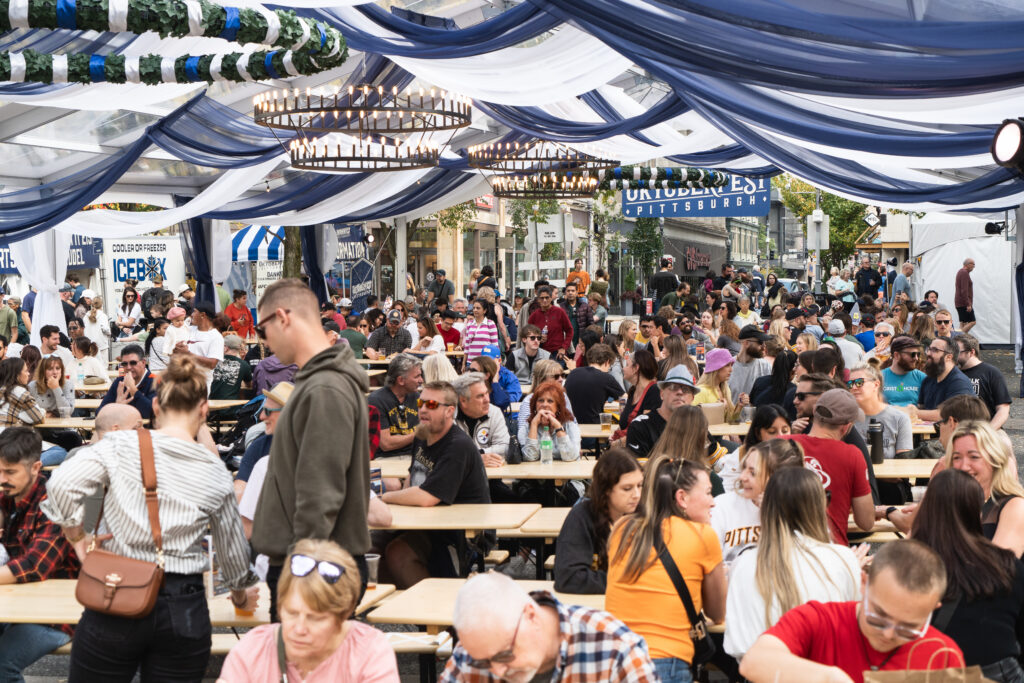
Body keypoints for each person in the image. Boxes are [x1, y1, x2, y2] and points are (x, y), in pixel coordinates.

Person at [41, 355, 260, 680]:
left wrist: (78, 538)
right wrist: (242, 594)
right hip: (182, 606)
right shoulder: (214, 469)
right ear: (203, 411)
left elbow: (59, 484)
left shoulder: (119, 445)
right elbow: (232, 554)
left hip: (116, 590)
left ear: (155, 407)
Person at [250, 279, 371, 622]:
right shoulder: (320, 382)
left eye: (263, 328)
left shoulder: (325, 387)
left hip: (314, 568)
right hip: (315, 563)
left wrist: (301, 574)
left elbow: (320, 493)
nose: (263, 339)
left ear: (283, 317)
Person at [741, 540, 962, 683]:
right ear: (864, 583)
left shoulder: (943, 655)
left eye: (909, 628)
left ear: (933, 609)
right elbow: (754, 661)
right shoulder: (820, 620)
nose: (888, 634)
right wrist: (829, 678)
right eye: (878, 618)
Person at [606, 457, 727, 682]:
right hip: (664, 662)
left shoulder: (622, 528)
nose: (713, 502)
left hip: (613, 660)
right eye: (709, 492)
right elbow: (717, 613)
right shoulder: (703, 536)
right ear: (682, 498)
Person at [724, 467, 862, 659]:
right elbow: (851, 632)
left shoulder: (744, 563)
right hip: (823, 674)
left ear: (766, 507)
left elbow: (737, 644)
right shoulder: (842, 559)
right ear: (819, 507)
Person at [220, 539, 398, 682]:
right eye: (291, 613)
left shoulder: (368, 652)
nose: (299, 629)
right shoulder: (253, 651)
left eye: (315, 618)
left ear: (344, 614)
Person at [908, 469, 1024, 682]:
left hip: (927, 671)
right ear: (978, 513)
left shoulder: (906, 564)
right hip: (996, 672)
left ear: (926, 510)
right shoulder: (1006, 564)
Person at [442, 571, 658, 682]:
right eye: (483, 662)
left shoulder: (615, 649)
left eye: (504, 655)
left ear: (531, 615)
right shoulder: (471, 654)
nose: (496, 670)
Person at [378, 381, 490, 587]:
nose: (421, 409)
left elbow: (427, 497)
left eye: (430, 405)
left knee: (398, 553)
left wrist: (383, 498)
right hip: (424, 522)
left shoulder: (457, 445)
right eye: (420, 403)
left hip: (460, 532)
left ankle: (438, 616)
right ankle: (402, 608)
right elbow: (412, 477)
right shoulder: (423, 434)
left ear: (449, 411)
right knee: (368, 548)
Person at [0, 427, 80, 680]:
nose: (1, 478)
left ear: (36, 468)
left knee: (2, 665)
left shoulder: (55, 501)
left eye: (10, 472)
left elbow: (35, 566)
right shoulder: (9, 494)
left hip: (59, 614)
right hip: (19, 602)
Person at [785, 388, 874, 545]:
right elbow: (866, 522)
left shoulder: (781, 444)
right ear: (846, 427)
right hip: (831, 551)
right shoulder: (853, 455)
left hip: (783, 549)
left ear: (814, 411)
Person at [553, 448, 642, 594]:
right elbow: (568, 578)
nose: (637, 495)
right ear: (606, 489)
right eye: (627, 488)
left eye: (639, 485)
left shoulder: (642, 514)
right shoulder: (582, 517)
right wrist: (627, 582)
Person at [711, 438, 805, 565]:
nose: (742, 477)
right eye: (744, 468)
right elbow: (710, 567)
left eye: (753, 473)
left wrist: (775, 515)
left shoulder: (799, 511)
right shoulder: (722, 505)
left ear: (779, 479)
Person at [945, 420, 1024, 558]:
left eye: (974, 457)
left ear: (995, 459)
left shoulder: (1015, 506)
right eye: (957, 457)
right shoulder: (959, 503)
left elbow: (997, 569)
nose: (963, 466)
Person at [626, 365, 698, 459]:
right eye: (673, 387)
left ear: (692, 398)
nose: (680, 392)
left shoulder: (696, 425)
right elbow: (639, 470)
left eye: (686, 389)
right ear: (662, 394)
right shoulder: (641, 426)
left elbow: (717, 460)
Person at [848, 364, 912, 460]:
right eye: (850, 383)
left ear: (876, 384)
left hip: (889, 474)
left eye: (859, 382)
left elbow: (903, 463)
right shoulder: (846, 419)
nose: (853, 387)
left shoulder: (900, 418)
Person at [367, 354, 422, 459]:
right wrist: (418, 434)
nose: (421, 380)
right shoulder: (376, 401)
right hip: (386, 458)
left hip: (415, 455)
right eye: (417, 376)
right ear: (400, 380)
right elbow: (386, 444)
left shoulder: (417, 397)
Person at [453, 372, 510, 468]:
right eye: (480, 396)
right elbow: (445, 452)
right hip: (458, 479)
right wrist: (476, 459)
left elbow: (505, 447)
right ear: (463, 401)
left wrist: (480, 454)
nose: (487, 400)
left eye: (487, 393)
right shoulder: (448, 415)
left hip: (491, 478)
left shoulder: (494, 412)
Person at [956, 333, 1012, 429]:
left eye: (957, 352)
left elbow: (1003, 409)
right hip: (958, 428)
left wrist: (988, 431)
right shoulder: (952, 373)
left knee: (1005, 443)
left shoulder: (991, 373)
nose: (952, 355)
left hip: (987, 428)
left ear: (971, 352)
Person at [917, 335, 974, 422]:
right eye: (929, 349)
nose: (928, 353)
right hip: (930, 432)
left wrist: (913, 413)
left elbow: (948, 414)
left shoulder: (959, 383)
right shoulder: (928, 380)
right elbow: (921, 408)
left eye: (935, 350)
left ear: (948, 357)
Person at [563, 344, 623, 426]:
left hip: (571, 426)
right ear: (607, 362)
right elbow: (625, 399)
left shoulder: (573, 373)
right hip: (594, 427)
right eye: (609, 366)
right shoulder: (606, 378)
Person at [523, 379, 581, 462]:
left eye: (550, 401)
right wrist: (534, 425)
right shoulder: (527, 427)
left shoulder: (570, 426)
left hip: (565, 473)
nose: (544, 405)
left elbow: (571, 457)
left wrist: (558, 427)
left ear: (558, 407)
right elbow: (530, 457)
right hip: (537, 473)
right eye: (540, 400)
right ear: (535, 405)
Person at [98, 344, 157, 420]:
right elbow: (99, 412)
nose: (128, 367)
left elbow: (152, 413)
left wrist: (133, 390)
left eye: (133, 363)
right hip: (122, 430)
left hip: (146, 430)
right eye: (124, 364)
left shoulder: (155, 382)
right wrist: (117, 407)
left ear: (143, 363)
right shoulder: (119, 381)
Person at [694, 348, 748, 423]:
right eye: (727, 365)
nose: (731, 369)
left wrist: (739, 406)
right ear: (716, 368)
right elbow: (692, 423)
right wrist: (717, 409)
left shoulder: (726, 389)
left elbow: (731, 422)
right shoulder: (701, 391)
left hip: (724, 434)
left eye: (731, 365)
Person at [616, 349, 661, 436]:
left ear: (636, 368)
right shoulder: (633, 391)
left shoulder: (654, 391)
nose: (623, 369)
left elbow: (646, 429)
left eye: (627, 365)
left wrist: (620, 442)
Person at [528, 285, 573, 363]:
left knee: (556, 374)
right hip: (540, 353)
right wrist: (538, 338)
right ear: (538, 299)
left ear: (551, 298)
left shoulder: (559, 312)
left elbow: (570, 330)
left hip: (557, 353)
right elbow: (527, 334)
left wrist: (564, 348)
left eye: (547, 297)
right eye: (542, 298)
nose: (544, 300)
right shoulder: (534, 316)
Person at [730, 327, 772, 398]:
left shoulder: (766, 366)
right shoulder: (728, 366)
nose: (764, 346)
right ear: (746, 343)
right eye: (760, 342)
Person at [209, 334, 253, 401]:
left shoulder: (213, 362)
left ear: (226, 348)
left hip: (211, 404)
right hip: (231, 407)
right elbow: (249, 385)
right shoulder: (244, 365)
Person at [462, 298, 500, 362]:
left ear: (484, 310)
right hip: (471, 361)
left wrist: (497, 362)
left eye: (478, 308)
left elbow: (495, 345)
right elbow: (467, 346)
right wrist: (463, 363)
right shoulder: (469, 324)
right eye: (473, 308)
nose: (475, 310)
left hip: (486, 362)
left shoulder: (490, 323)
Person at [559, 282, 593, 347]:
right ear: (565, 292)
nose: (570, 293)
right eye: (568, 291)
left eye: (573, 291)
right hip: (566, 341)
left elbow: (591, 324)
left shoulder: (585, 306)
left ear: (577, 292)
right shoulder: (561, 307)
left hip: (581, 340)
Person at [955, 257, 976, 334]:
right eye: (973, 264)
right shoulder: (964, 273)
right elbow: (964, 290)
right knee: (972, 321)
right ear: (968, 264)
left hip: (960, 302)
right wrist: (968, 304)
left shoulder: (961, 272)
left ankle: (961, 342)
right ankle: (957, 336)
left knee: (963, 323)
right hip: (963, 303)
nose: (974, 266)